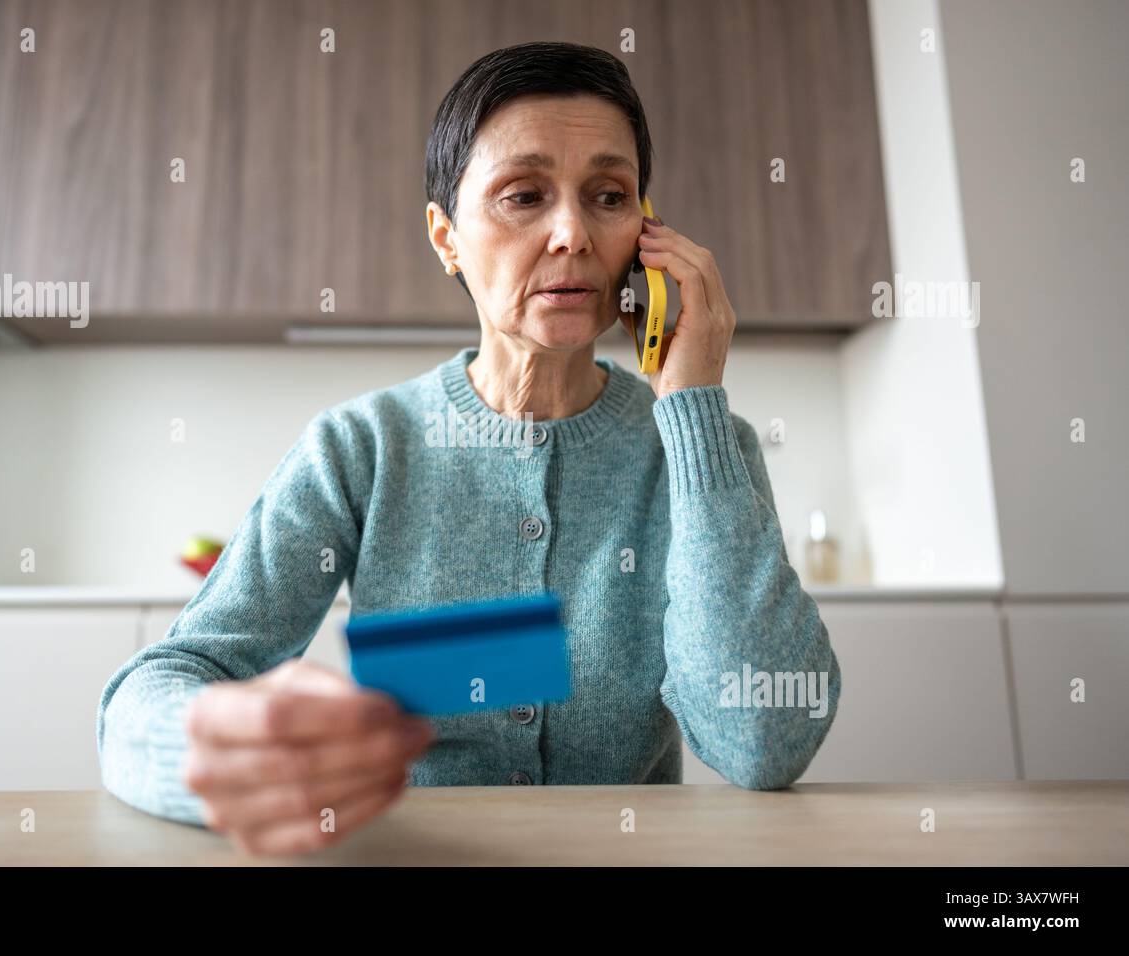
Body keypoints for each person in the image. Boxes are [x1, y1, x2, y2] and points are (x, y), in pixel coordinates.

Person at [96, 40, 841, 857]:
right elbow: (155, 691)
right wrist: (216, 743)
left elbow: (764, 741)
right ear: (447, 237)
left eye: (609, 196)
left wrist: (692, 404)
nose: (572, 233)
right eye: (524, 196)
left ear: (647, 232)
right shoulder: (361, 449)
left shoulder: (702, 450)